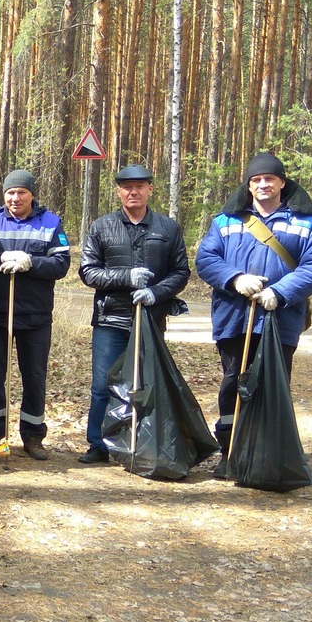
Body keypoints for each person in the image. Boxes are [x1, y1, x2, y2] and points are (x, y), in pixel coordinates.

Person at [195, 152, 312, 474]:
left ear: (282, 182)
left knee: (272, 385)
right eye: (256, 180)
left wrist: (279, 293)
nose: (263, 184)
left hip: (280, 320)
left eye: (269, 179)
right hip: (234, 317)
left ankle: (267, 457)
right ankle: (230, 454)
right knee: (232, 384)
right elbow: (206, 260)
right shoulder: (225, 222)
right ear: (249, 185)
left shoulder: (306, 224)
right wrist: (236, 278)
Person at [77, 164, 190, 464]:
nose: (133, 191)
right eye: (127, 186)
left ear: (150, 189)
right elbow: (88, 272)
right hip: (110, 319)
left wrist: (157, 292)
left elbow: (181, 272)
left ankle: (141, 442)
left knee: (146, 382)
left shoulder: (168, 228)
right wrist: (126, 277)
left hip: (150, 320)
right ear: (118, 191)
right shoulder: (101, 227)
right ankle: (99, 444)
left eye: (139, 186)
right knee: (103, 384)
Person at [0, 170, 71, 460]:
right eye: (10, 192)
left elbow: (61, 264)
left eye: (21, 192)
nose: (15, 198)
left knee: (34, 376)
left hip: (36, 316)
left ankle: (32, 436)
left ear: (32, 194)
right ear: (3, 194)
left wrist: (32, 263)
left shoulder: (51, 223)